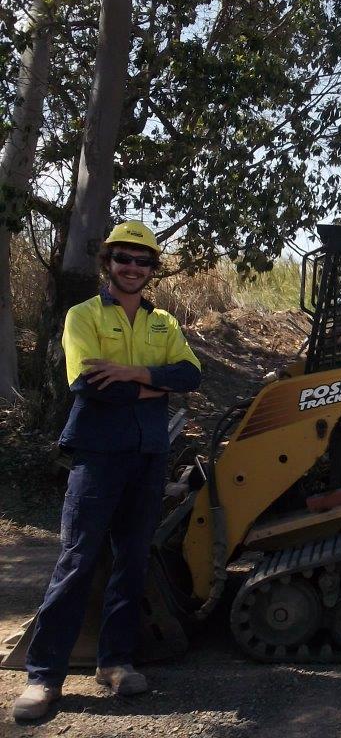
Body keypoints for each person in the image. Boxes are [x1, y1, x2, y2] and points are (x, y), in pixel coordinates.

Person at [13, 221, 201, 720]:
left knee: (132, 560)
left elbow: (191, 375)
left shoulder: (164, 324)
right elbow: (92, 385)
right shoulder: (83, 315)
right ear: (108, 262)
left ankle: (115, 662)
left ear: (151, 269)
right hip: (98, 455)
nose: (133, 268)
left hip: (147, 455)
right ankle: (44, 676)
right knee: (77, 559)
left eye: (142, 261)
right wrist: (153, 386)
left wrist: (136, 374)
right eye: (124, 258)